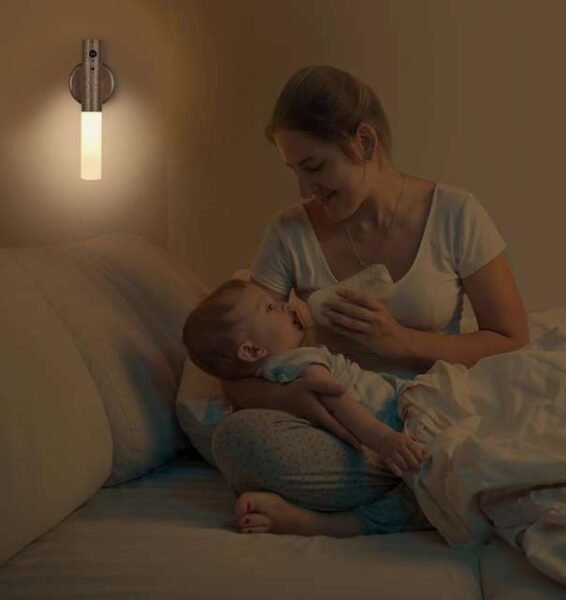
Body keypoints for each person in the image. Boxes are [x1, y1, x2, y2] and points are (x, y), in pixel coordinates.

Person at [210, 65, 530, 537]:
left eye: (314, 167)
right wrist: (292, 397)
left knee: (496, 439)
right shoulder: (287, 233)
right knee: (236, 441)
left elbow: (511, 340)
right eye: (295, 172)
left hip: (431, 416)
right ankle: (433, 491)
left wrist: (402, 343)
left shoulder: (456, 214)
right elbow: (239, 370)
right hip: (342, 429)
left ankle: (359, 510)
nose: (304, 189)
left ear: (364, 141)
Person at [183, 279, 428, 479]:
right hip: (398, 410)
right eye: (269, 308)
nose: (285, 305)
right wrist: (383, 439)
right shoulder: (298, 361)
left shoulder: (271, 374)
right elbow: (336, 397)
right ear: (252, 350)